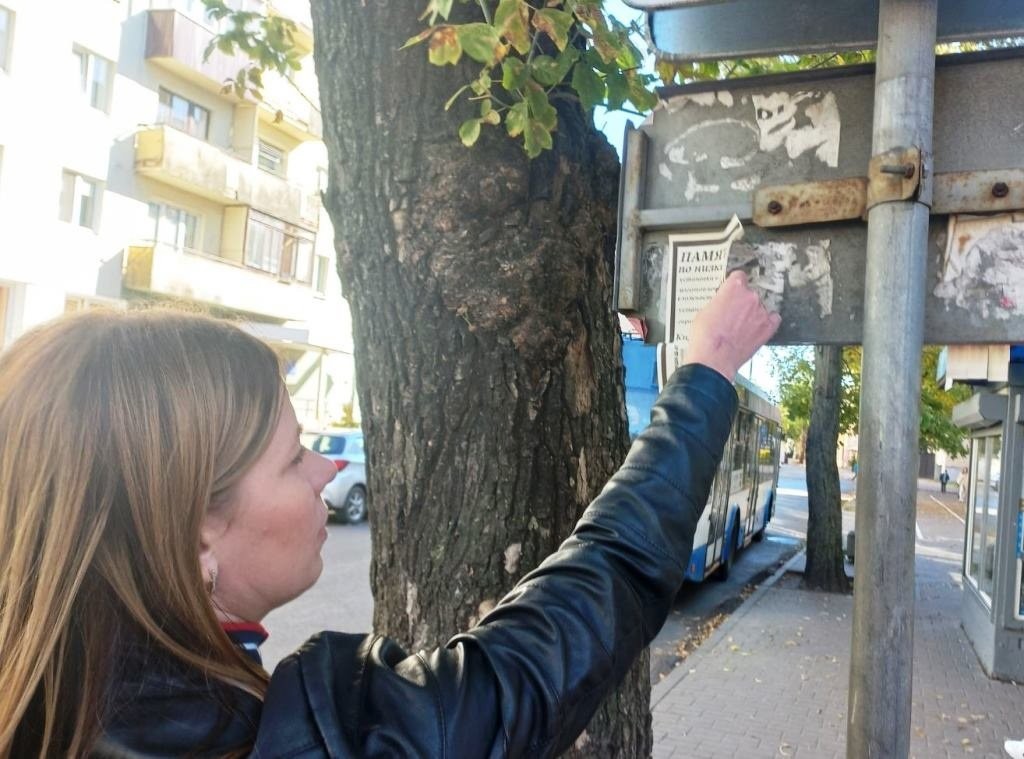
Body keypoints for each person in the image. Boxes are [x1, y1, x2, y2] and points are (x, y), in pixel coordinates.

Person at [0, 271, 779, 757]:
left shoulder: (41, 702)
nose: (329, 469)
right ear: (195, 530)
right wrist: (707, 370)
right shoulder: (306, 740)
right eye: (294, 456)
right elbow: (569, 622)